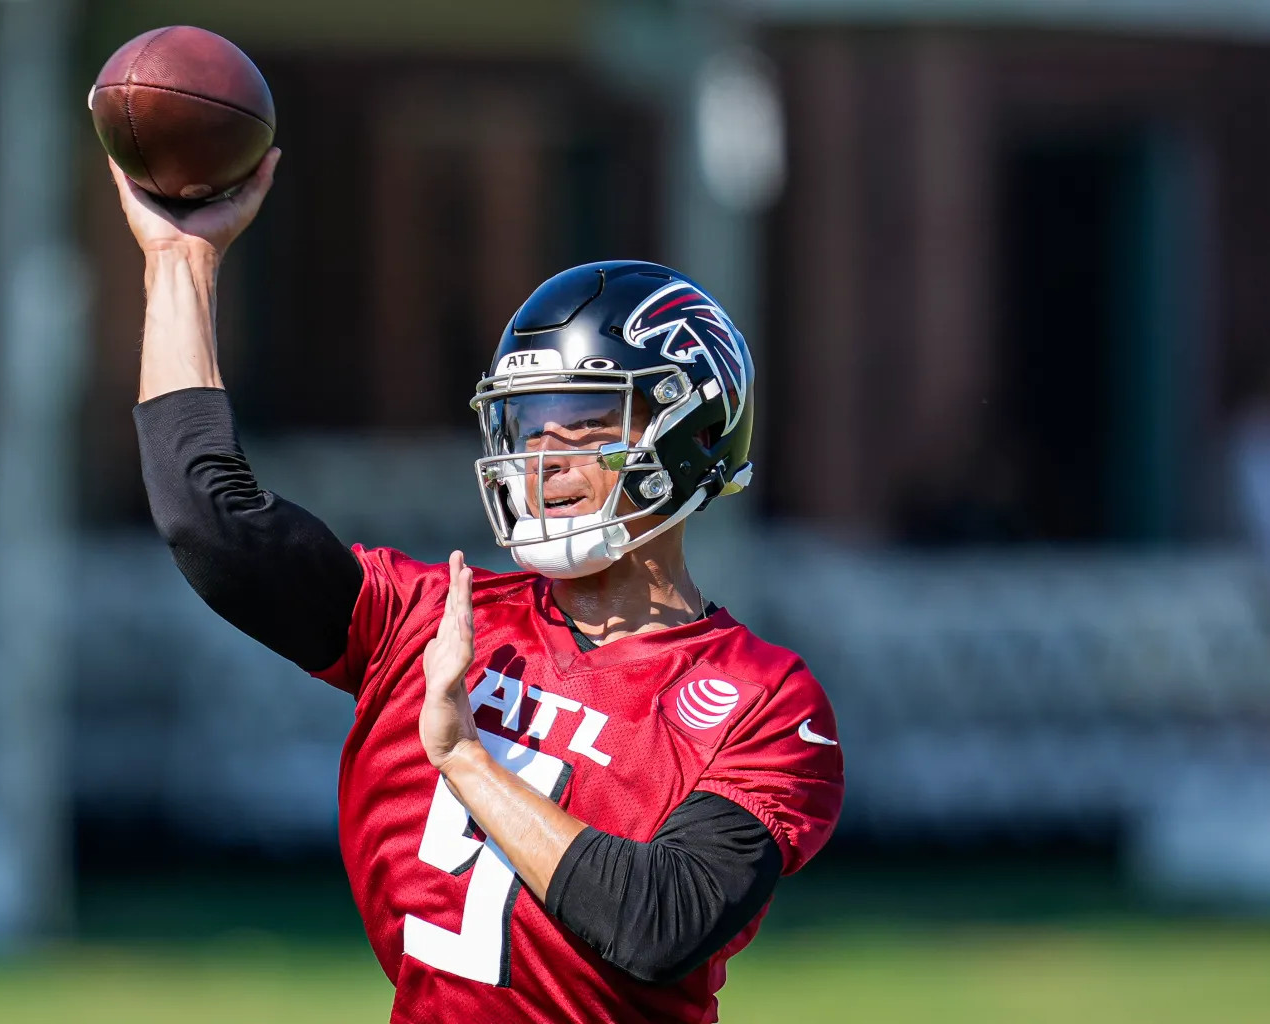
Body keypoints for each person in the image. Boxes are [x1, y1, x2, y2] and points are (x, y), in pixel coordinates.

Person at [113, 148, 843, 1024]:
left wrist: (464, 755)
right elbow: (212, 522)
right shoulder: (430, 619)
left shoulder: (764, 701)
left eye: (584, 424)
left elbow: (658, 923)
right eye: (529, 427)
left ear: (689, 434)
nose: (545, 460)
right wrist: (180, 263)